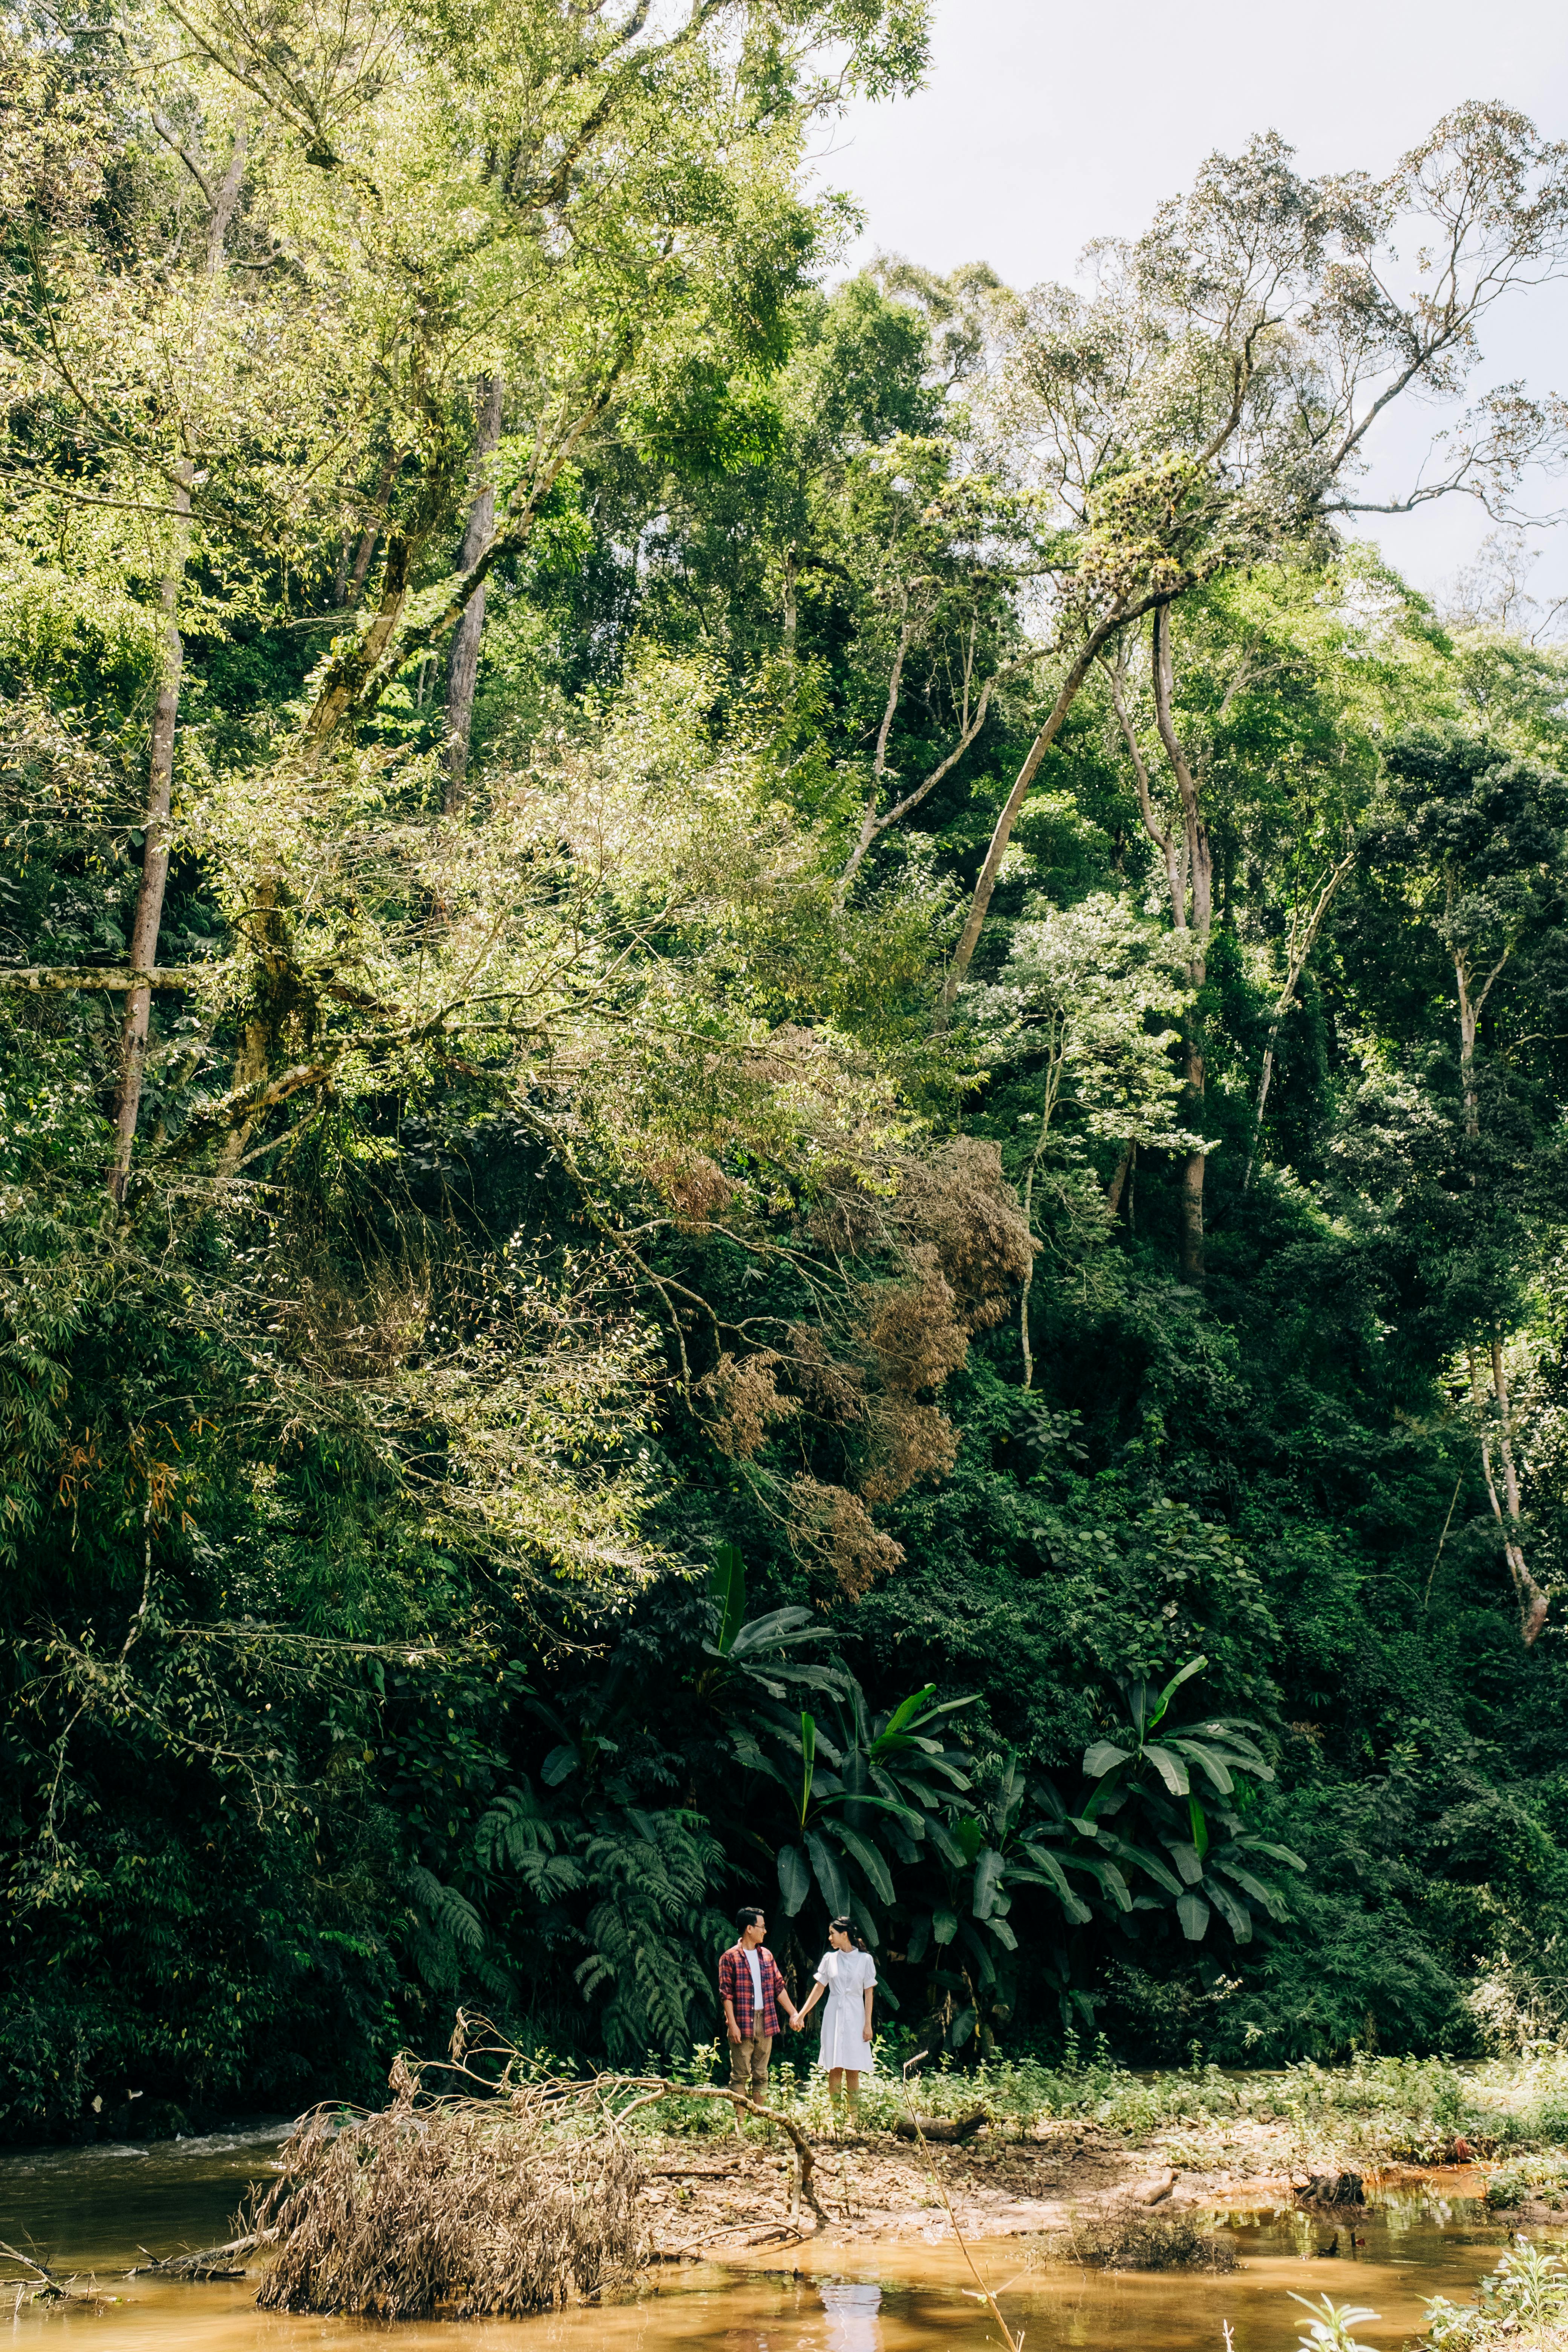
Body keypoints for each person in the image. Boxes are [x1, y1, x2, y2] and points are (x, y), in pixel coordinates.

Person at [717, 1905, 804, 2114]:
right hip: (742, 2021)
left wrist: (794, 2013)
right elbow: (726, 1994)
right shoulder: (729, 1958)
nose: (765, 1931)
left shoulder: (766, 1955)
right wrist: (733, 2025)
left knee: (761, 2074)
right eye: (762, 1927)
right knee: (739, 2075)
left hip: (766, 2021)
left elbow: (779, 1987)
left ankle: (757, 2119)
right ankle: (740, 2124)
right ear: (749, 1928)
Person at [796, 1915, 876, 2125]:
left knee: (853, 2068)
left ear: (845, 1934)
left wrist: (868, 2023)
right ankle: (836, 2116)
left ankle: (855, 2117)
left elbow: (869, 1993)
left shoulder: (865, 1960)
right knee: (835, 2066)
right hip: (834, 2014)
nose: (830, 1938)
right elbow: (819, 1988)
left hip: (856, 2015)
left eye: (833, 1933)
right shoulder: (829, 1959)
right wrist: (802, 2014)